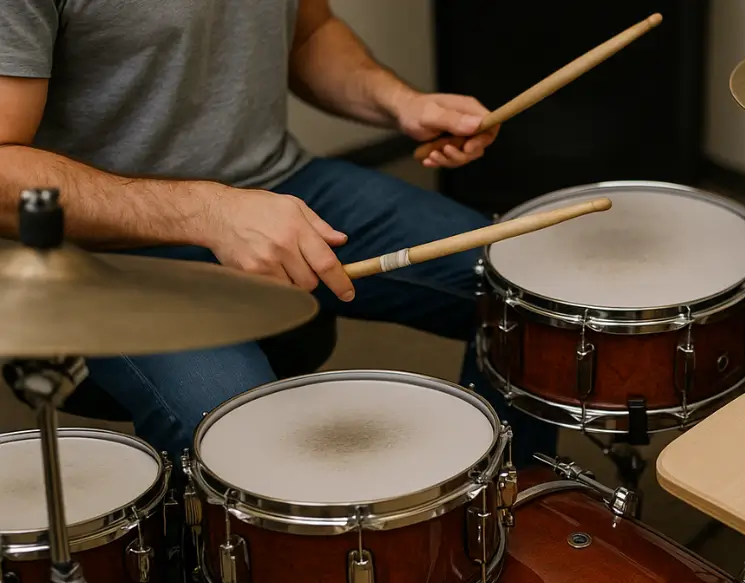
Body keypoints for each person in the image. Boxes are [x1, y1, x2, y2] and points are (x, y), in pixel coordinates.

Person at [0, 0, 557, 468]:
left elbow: (310, 33)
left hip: (279, 186)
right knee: (243, 446)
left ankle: (509, 530)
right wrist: (206, 212)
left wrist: (402, 103)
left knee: (536, 300)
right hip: (106, 244)